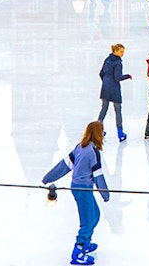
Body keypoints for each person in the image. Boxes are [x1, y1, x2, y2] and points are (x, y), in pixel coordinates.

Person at [42, 120, 110, 265]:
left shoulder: (80, 147)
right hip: (83, 190)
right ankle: (78, 252)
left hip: (79, 187)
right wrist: (105, 194)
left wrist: (48, 178)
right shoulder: (93, 152)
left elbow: (64, 166)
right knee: (87, 221)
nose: (103, 136)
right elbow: (98, 176)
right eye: (102, 133)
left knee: (95, 215)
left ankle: (86, 243)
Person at [98, 44, 132, 142]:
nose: (123, 54)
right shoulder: (118, 63)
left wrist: (105, 82)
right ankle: (120, 132)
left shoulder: (107, 59)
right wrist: (127, 76)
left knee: (104, 108)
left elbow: (101, 73)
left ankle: (98, 130)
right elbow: (117, 77)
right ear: (115, 51)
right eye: (121, 52)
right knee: (118, 109)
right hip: (114, 88)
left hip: (105, 87)